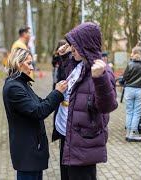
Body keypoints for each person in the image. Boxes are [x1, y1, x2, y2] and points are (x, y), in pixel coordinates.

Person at [52, 22, 118, 180]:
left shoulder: (101, 71)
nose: (71, 48)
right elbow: (77, 84)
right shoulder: (80, 65)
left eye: (75, 45)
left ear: (85, 45)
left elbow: (108, 106)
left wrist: (100, 79)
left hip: (83, 144)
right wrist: (66, 58)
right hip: (68, 136)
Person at [2, 47, 68, 180]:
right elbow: (38, 111)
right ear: (17, 63)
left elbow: (41, 103)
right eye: (28, 63)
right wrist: (57, 93)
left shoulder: (22, 83)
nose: (32, 67)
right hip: (27, 152)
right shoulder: (14, 87)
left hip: (33, 150)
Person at [123, 46, 141, 142]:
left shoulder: (130, 64)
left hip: (129, 89)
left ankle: (128, 133)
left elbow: (124, 77)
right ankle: (132, 134)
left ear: (134, 53)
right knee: (137, 112)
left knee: (129, 112)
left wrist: (124, 84)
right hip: (140, 90)